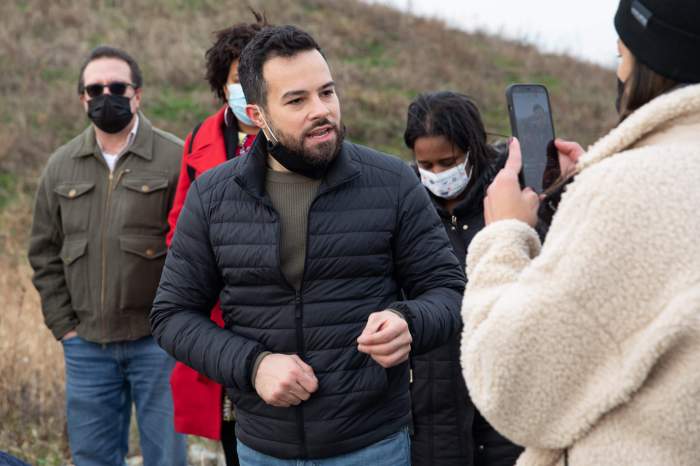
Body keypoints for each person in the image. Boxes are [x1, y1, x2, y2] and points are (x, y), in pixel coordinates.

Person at [150, 25, 466, 465]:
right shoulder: (213, 196)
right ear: (258, 115)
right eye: (297, 100)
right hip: (263, 448)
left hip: (374, 446)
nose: (322, 110)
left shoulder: (392, 183)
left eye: (327, 92)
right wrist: (253, 365)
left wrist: (409, 321)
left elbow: (451, 292)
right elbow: (171, 315)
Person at [459, 1, 700, 465]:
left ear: (651, 64)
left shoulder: (628, 190)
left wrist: (504, 234)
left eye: (620, 55)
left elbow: (514, 385)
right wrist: (590, 182)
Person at [28, 46, 187, 466]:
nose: (106, 96)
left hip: (157, 345)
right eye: (94, 89)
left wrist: (175, 326)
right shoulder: (60, 166)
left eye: (117, 87)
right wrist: (65, 327)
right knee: (93, 457)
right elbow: (43, 253)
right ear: (82, 97)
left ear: (137, 94)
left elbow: (191, 253)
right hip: (87, 347)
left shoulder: (175, 158)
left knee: (166, 457)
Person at [166, 13, 266, 465]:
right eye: (234, 78)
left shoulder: (297, 133)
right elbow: (178, 225)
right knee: (233, 434)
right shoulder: (199, 140)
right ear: (221, 86)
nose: (244, 86)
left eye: (254, 75)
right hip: (220, 311)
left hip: (279, 308)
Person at [404, 91, 523, 466]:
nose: (437, 175)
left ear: (473, 149)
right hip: (432, 407)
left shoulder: (515, 198)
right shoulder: (404, 207)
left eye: (448, 162)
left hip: (506, 405)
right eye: (427, 164)